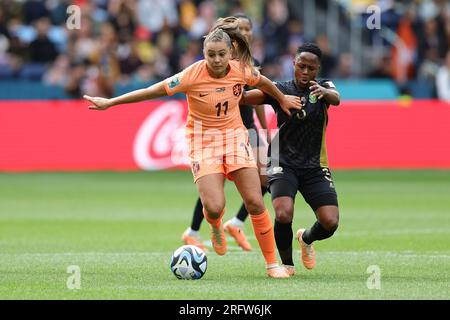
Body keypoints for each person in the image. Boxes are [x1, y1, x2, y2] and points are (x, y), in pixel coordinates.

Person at [84, 19, 302, 278]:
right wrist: (110, 102)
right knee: (213, 206)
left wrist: (281, 98)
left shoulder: (241, 70)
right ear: (204, 54)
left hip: (234, 138)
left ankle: (271, 265)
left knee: (255, 201)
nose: (217, 60)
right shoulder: (191, 75)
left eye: (222, 54)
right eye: (211, 55)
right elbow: (150, 91)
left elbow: (264, 82)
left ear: (231, 52)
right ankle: (215, 225)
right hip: (202, 140)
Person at [241, 43, 340, 276]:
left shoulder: (324, 87)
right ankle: (287, 264)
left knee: (330, 222)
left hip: (314, 164)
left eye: (311, 68)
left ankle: (306, 238)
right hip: (280, 160)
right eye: (301, 66)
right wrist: (235, 87)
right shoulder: (279, 89)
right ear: (293, 64)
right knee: (283, 212)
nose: (305, 72)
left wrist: (325, 93)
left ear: (318, 69)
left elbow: (336, 98)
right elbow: (247, 98)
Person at [182, 14, 269, 252]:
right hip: (217, 131)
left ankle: (237, 222)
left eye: (248, 29)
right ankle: (196, 230)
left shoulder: (250, 62)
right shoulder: (217, 60)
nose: (245, 33)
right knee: (214, 184)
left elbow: (259, 97)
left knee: (268, 177)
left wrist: (265, 129)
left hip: (246, 128)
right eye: (240, 29)